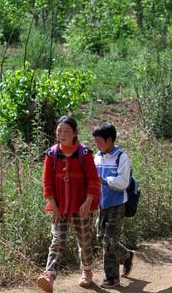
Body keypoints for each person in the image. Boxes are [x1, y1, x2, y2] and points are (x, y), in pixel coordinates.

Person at [37, 115, 101, 292]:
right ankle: (49, 276)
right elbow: (47, 182)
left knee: (84, 240)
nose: (62, 134)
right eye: (59, 131)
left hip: (81, 206)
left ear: (75, 133)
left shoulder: (85, 154)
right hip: (59, 208)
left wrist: (88, 203)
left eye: (67, 131)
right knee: (57, 240)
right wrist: (54, 206)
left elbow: (93, 181)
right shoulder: (52, 154)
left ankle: (87, 271)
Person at [92, 122, 135, 288]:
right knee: (101, 238)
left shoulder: (121, 157)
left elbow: (123, 182)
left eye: (100, 142)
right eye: (95, 142)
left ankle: (112, 278)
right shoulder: (97, 157)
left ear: (109, 140)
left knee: (109, 240)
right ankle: (126, 256)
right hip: (102, 205)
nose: (97, 145)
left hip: (117, 205)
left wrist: (103, 180)